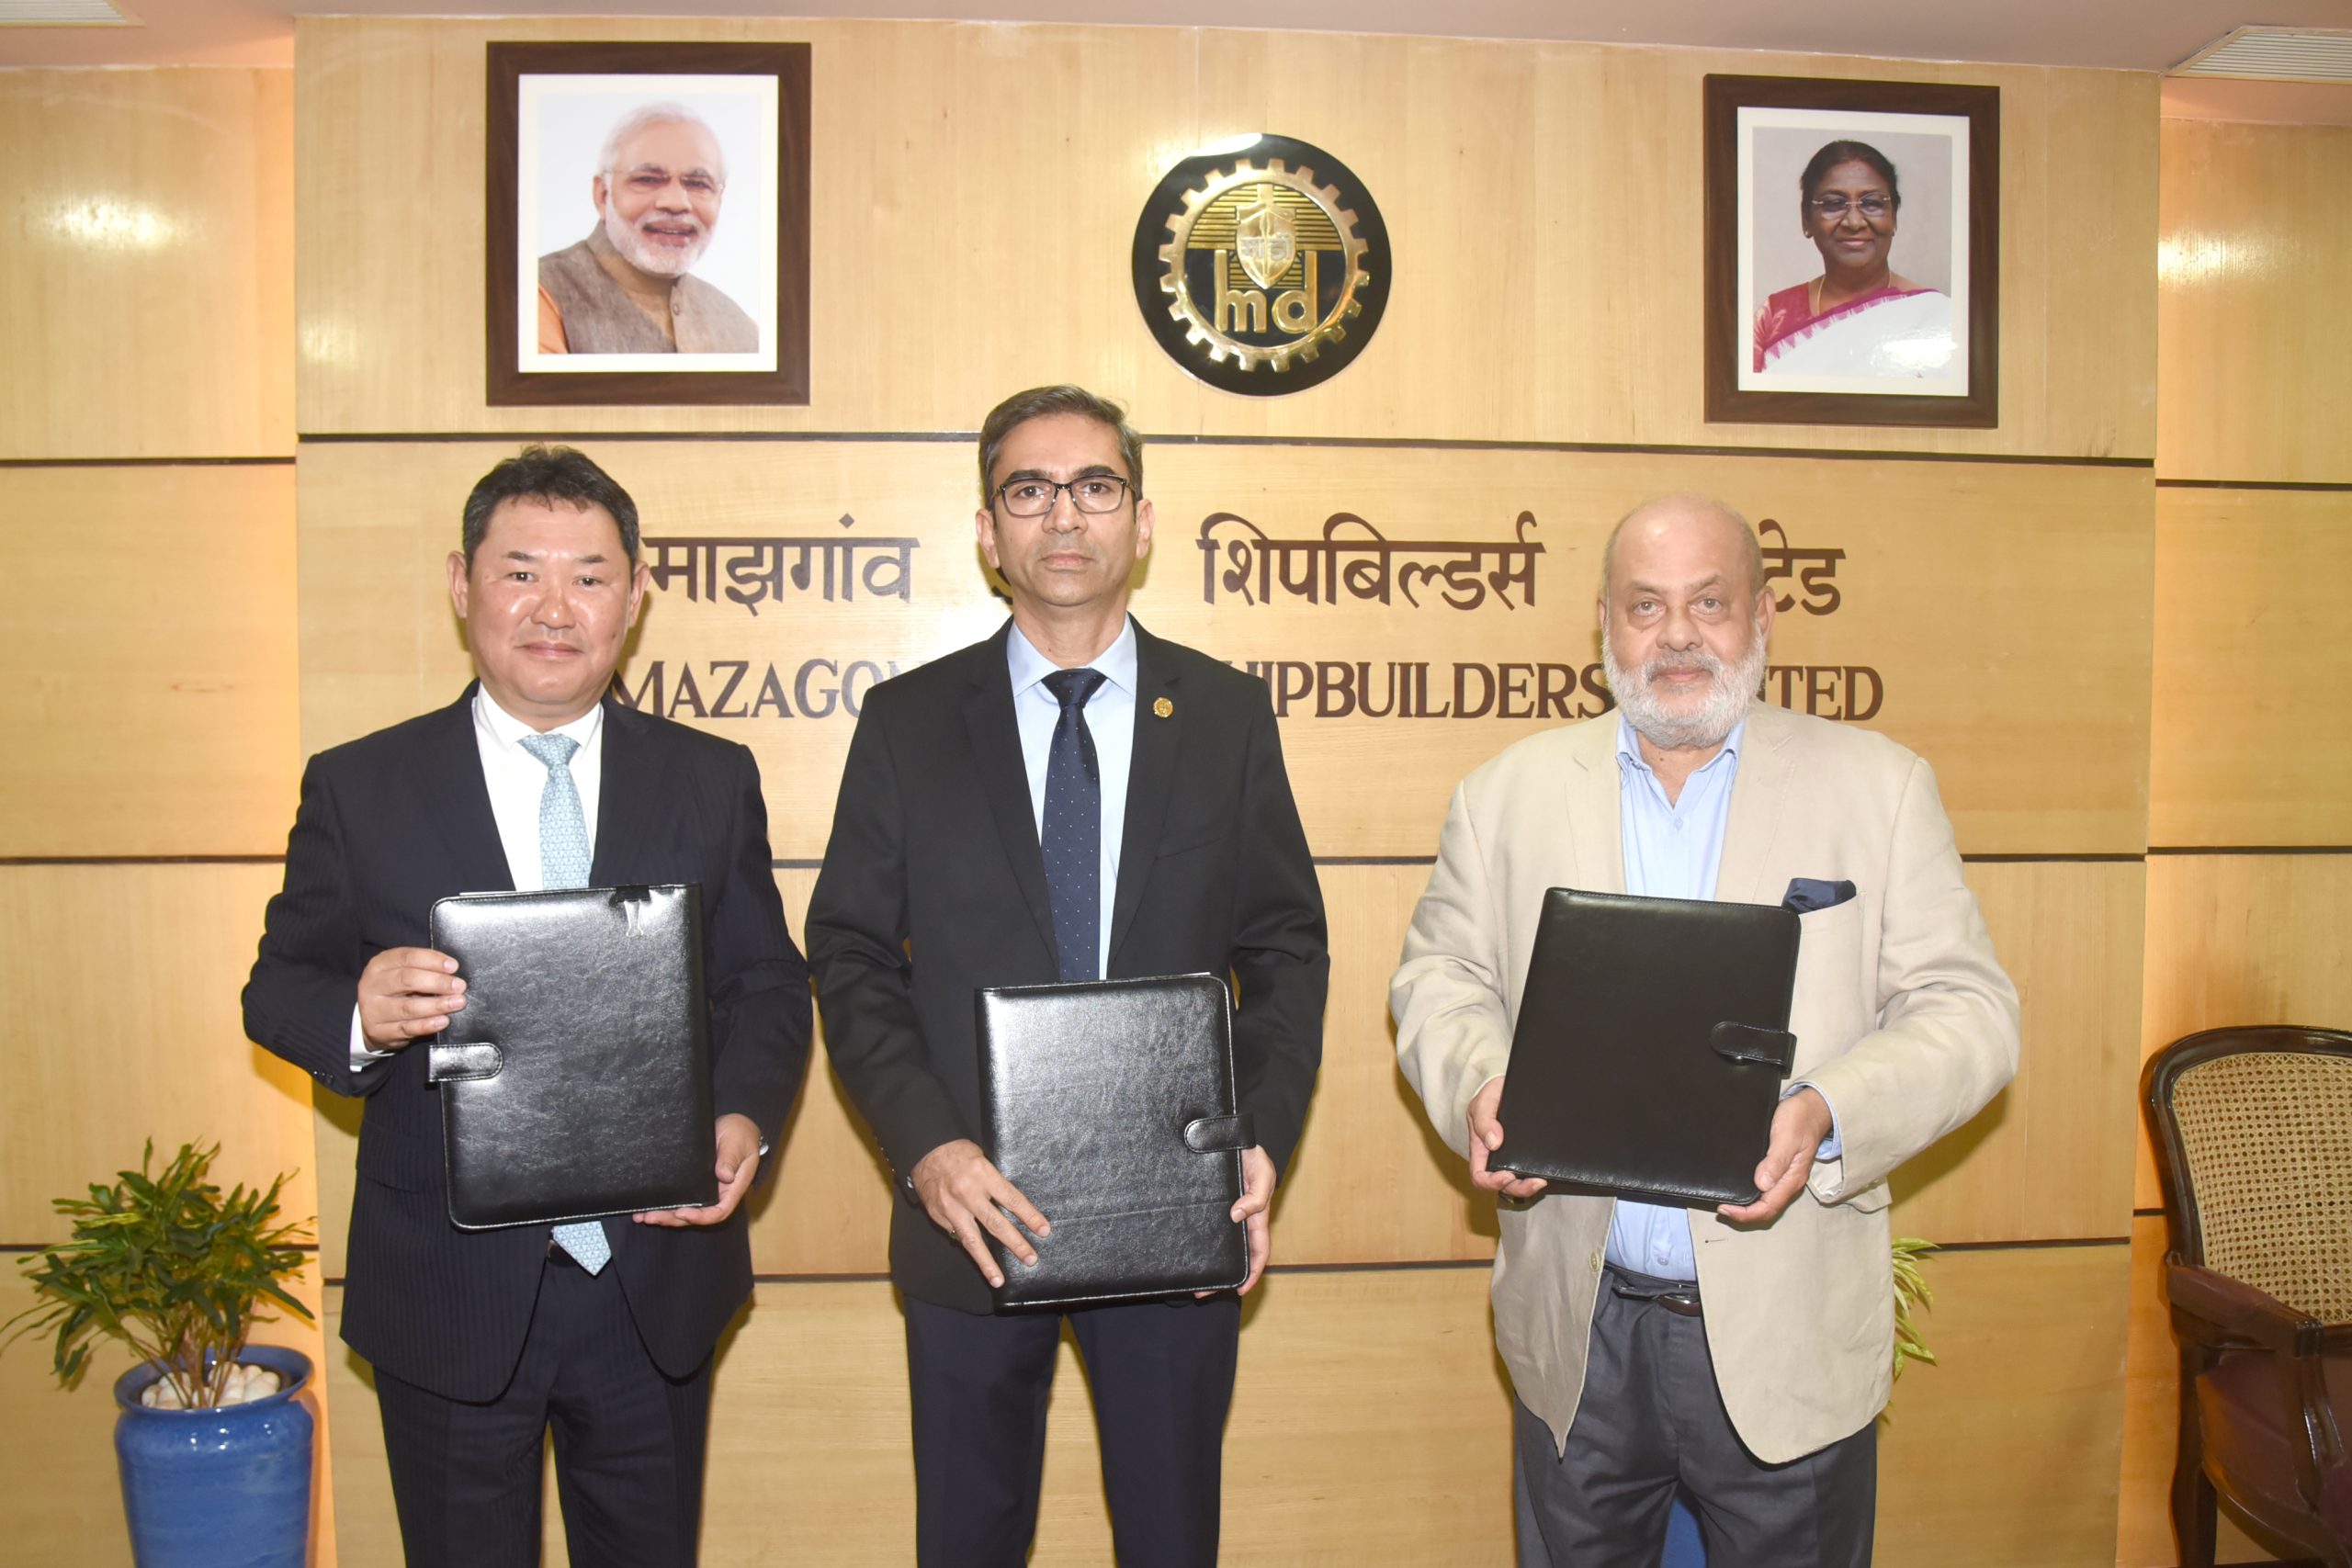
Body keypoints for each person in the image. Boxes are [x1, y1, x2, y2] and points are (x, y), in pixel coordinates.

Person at [1389, 493, 2018, 1566]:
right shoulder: (1503, 797)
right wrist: (1483, 1086)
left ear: (1762, 617)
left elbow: (1971, 1012)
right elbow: (1439, 979)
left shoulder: (1879, 789)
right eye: (1645, 606)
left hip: (1788, 1334)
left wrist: (1825, 1111)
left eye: (1708, 603)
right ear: (1604, 624)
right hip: (1578, 1337)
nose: (1676, 635)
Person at [242, 446, 809, 1566]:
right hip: (446, 1291)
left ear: (634, 598)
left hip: (653, 1283)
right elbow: (278, 989)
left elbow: (765, 982)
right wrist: (359, 1010)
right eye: (521, 573)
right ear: (463, 585)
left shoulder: (709, 777)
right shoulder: (361, 785)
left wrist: (742, 1118)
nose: (555, 608)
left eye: (590, 577)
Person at [806, 385, 1329, 1568]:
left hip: (1172, 1208)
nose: (1063, 515)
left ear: (1141, 521)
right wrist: (928, 1151)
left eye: (1095, 486)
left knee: (1169, 1539)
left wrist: (1255, 1138)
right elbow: (848, 952)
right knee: (968, 1540)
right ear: (988, 532)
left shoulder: (1226, 714)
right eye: (1028, 490)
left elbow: (1284, 948)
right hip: (971, 1213)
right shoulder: (906, 722)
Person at [537, 102, 759, 355]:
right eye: (648, 179)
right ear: (603, 195)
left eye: (698, 184)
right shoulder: (537, 295)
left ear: (720, 199)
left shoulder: (741, 327)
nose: (676, 203)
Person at [1752, 139, 1955, 378]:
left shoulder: (1938, 318)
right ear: (1806, 220)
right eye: (1833, 204)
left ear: (1893, 218)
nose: (1854, 222)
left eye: (1872, 204)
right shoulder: (1774, 316)